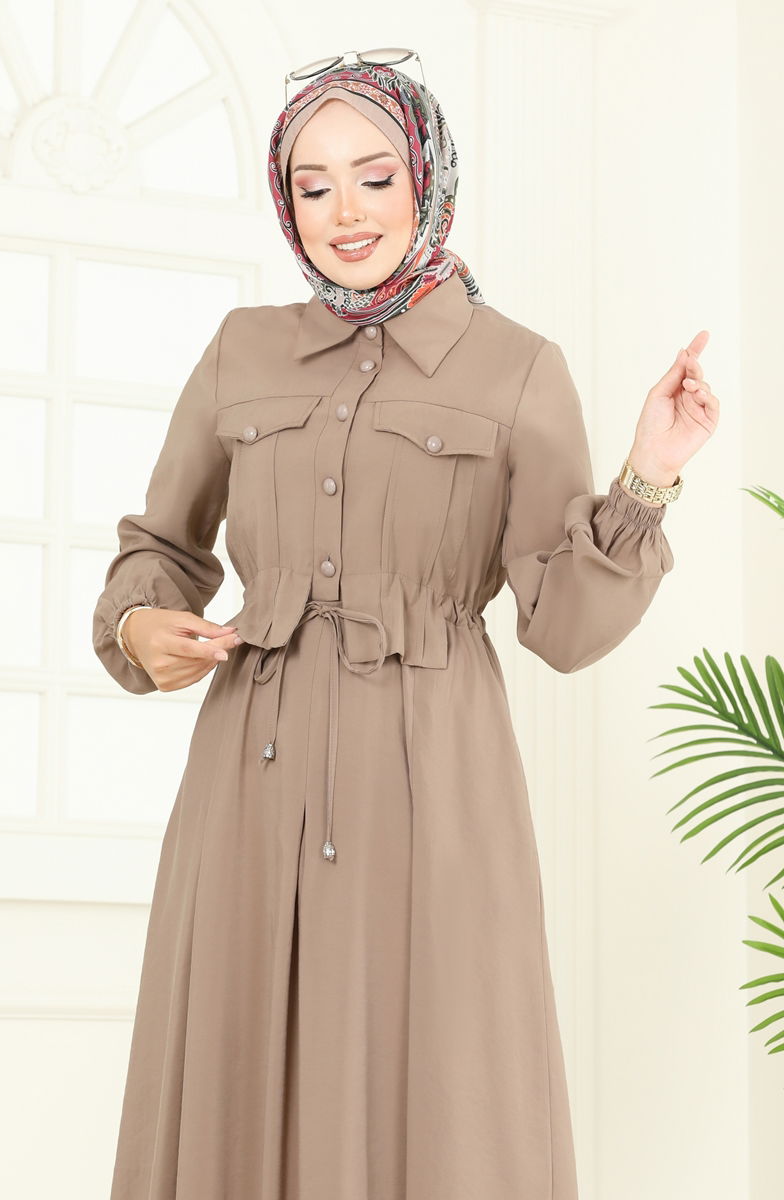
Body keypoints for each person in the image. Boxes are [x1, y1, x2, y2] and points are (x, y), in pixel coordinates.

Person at [93, 54, 718, 1200]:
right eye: (313, 184)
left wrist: (647, 476)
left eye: (374, 177)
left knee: (443, 1090)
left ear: (425, 178)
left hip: (435, 786)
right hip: (246, 788)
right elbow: (160, 545)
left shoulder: (518, 369)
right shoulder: (240, 349)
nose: (344, 211)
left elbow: (561, 625)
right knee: (237, 1067)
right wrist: (141, 624)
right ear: (285, 199)